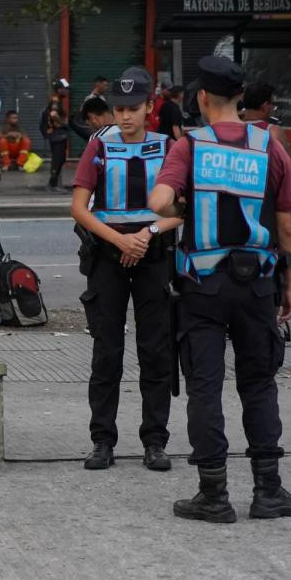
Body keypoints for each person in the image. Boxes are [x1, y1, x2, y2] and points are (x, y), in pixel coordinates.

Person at [149, 55, 291, 523]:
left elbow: (160, 200)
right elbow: (285, 224)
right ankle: (268, 491)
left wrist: (172, 198)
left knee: (204, 386)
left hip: (203, 286)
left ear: (201, 97)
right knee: (259, 384)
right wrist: (290, 287)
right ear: (242, 100)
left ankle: (213, 495)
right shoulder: (269, 146)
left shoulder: (190, 146)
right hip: (258, 284)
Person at [71, 67, 179, 473]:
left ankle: (155, 441)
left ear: (150, 106)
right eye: (119, 109)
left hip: (151, 255)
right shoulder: (99, 147)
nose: (125, 116)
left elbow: (182, 211)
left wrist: (147, 233)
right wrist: (120, 241)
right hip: (108, 256)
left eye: (134, 108)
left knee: (155, 351)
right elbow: (79, 208)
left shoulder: (169, 147)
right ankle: (102, 440)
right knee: (107, 352)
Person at [242, 81, 291, 152]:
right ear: (264, 107)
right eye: (272, 103)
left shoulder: (232, 127)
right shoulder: (273, 132)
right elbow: (288, 162)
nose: (273, 107)